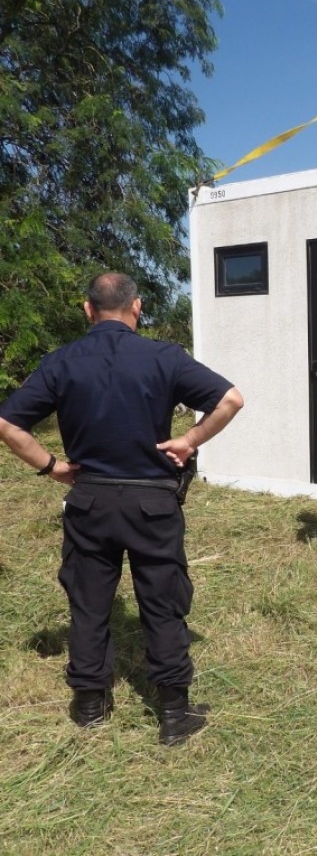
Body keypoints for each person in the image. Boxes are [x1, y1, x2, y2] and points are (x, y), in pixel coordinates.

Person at [0, 272, 244, 744]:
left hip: (89, 499)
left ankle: (90, 704)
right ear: (137, 308)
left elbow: (8, 425)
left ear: (88, 310)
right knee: (162, 601)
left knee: (89, 602)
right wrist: (189, 440)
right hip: (152, 502)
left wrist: (52, 466)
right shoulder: (164, 356)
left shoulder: (60, 362)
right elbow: (231, 399)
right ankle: (174, 715)